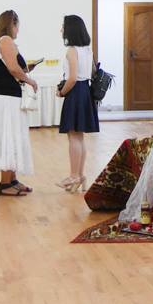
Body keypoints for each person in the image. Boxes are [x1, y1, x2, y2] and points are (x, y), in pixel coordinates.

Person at [0, 10, 38, 197]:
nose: (18, 31)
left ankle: (12, 179)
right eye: (17, 26)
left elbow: (9, 68)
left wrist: (26, 70)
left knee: (12, 136)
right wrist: (30, 80)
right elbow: (13, 69)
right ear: (12, 24)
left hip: (3, 97)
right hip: (6, 99)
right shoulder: (5, 40)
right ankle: (5, 183)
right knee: (9, 137)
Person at [56, 14, 100, 191]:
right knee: (79, 137)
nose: (61, 29)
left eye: (63, 26)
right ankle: (80, 175)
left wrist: (61, 92)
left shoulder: (72, 51)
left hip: (75, 93)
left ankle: (74, 176)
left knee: (73, 136)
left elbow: (72, 78)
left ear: (70, 30)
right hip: (85, 92)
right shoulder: (87, 50)